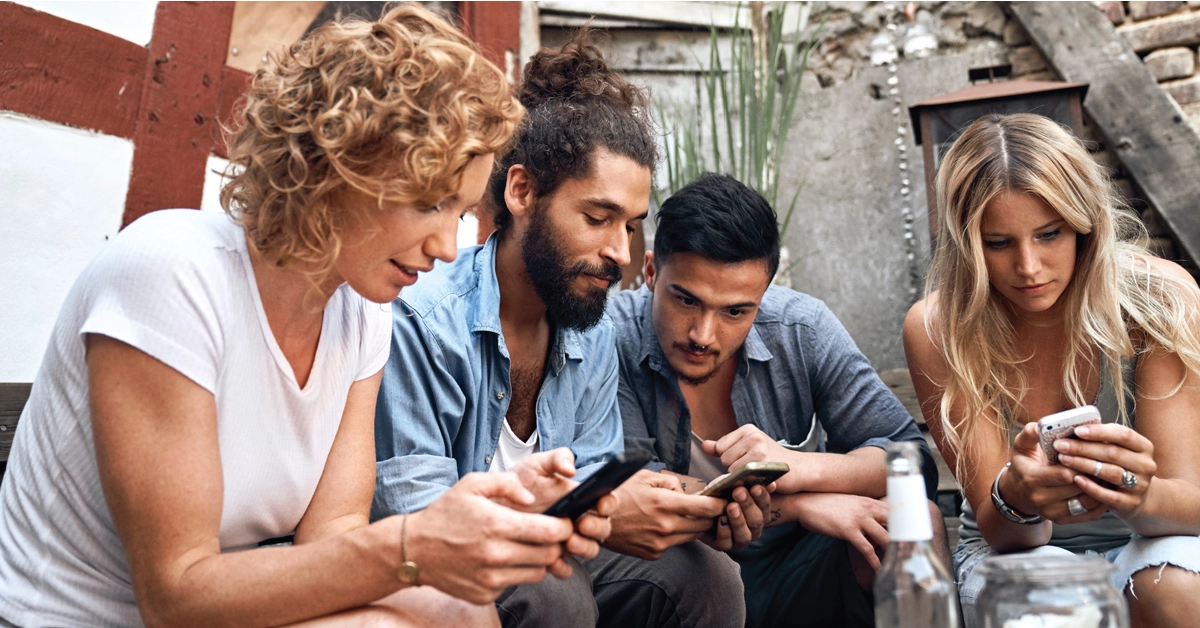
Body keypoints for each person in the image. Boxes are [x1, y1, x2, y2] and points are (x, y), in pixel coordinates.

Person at [0, 7, 605, 627]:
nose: (449, 245)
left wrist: (487, 515)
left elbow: (334, 538)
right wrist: (414, 546)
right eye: (429, 203)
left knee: (462, 610)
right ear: (339, 168)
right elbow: (175, 596)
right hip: (75, 619)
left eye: (459, 212)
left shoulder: (362, 314)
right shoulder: (171, 273)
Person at [372, 34, 750, 628]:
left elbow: (595, 471)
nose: (619, 253)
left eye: (630, 226)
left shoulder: (585, 319)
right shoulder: (422, 317)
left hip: (552, 543)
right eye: (597, 218)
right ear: (521, 191)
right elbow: (416, 514)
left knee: (705, 576)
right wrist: (594, 510)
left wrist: (672, 504)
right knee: (553, 590)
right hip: (429, 570)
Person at [608, 173, 944, 628]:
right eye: (686, 300)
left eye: (735, 311)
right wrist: (802, 503)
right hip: (677, 572)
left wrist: (802, 467)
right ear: (650, 272)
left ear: (764, 296)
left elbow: (912, 461)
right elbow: (636, 494)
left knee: (911, 519)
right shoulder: (608, 339)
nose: (702, 335)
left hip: (798, 568)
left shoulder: (801, 328)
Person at [904, 113, 1200, 628]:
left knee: (1169, 590)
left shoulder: (1155, 300)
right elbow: (1001, 532)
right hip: (1015, 555)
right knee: (1055, 614)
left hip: (1153, 538)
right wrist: (1018, 496)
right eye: (997, 243)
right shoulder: (939, 327)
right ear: (965, 243)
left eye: (1049, 234)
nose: (1029, 267)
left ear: (1084, 223)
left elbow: (1188, 506)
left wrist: (1136, 493)